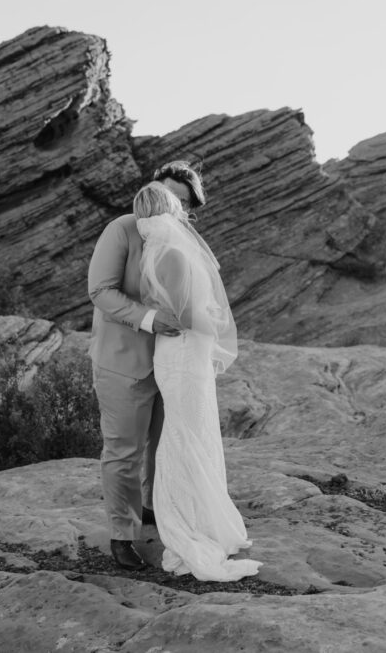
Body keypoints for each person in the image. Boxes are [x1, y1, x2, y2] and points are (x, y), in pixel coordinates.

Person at [133, 182, 262, 581]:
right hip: (185, 355)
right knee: (186, 437)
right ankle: (189, 528)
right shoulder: (171, 252)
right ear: (169, 210)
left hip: (184, 354)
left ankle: (203, 519)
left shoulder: (158, 250)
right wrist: (220, 325)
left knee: (193, 434)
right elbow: (189, 316)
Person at [87, 161, 205, 571]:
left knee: (163, 444)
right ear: (155, 190)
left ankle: (153, 507)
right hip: (123, 362)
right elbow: (100, 290)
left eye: (185, 202)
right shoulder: (122, 229)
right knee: (123, 451)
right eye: (171, 195)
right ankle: (122, 536)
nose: (176, 206)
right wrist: (151, 319)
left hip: (170, 364)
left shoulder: (183, 238)